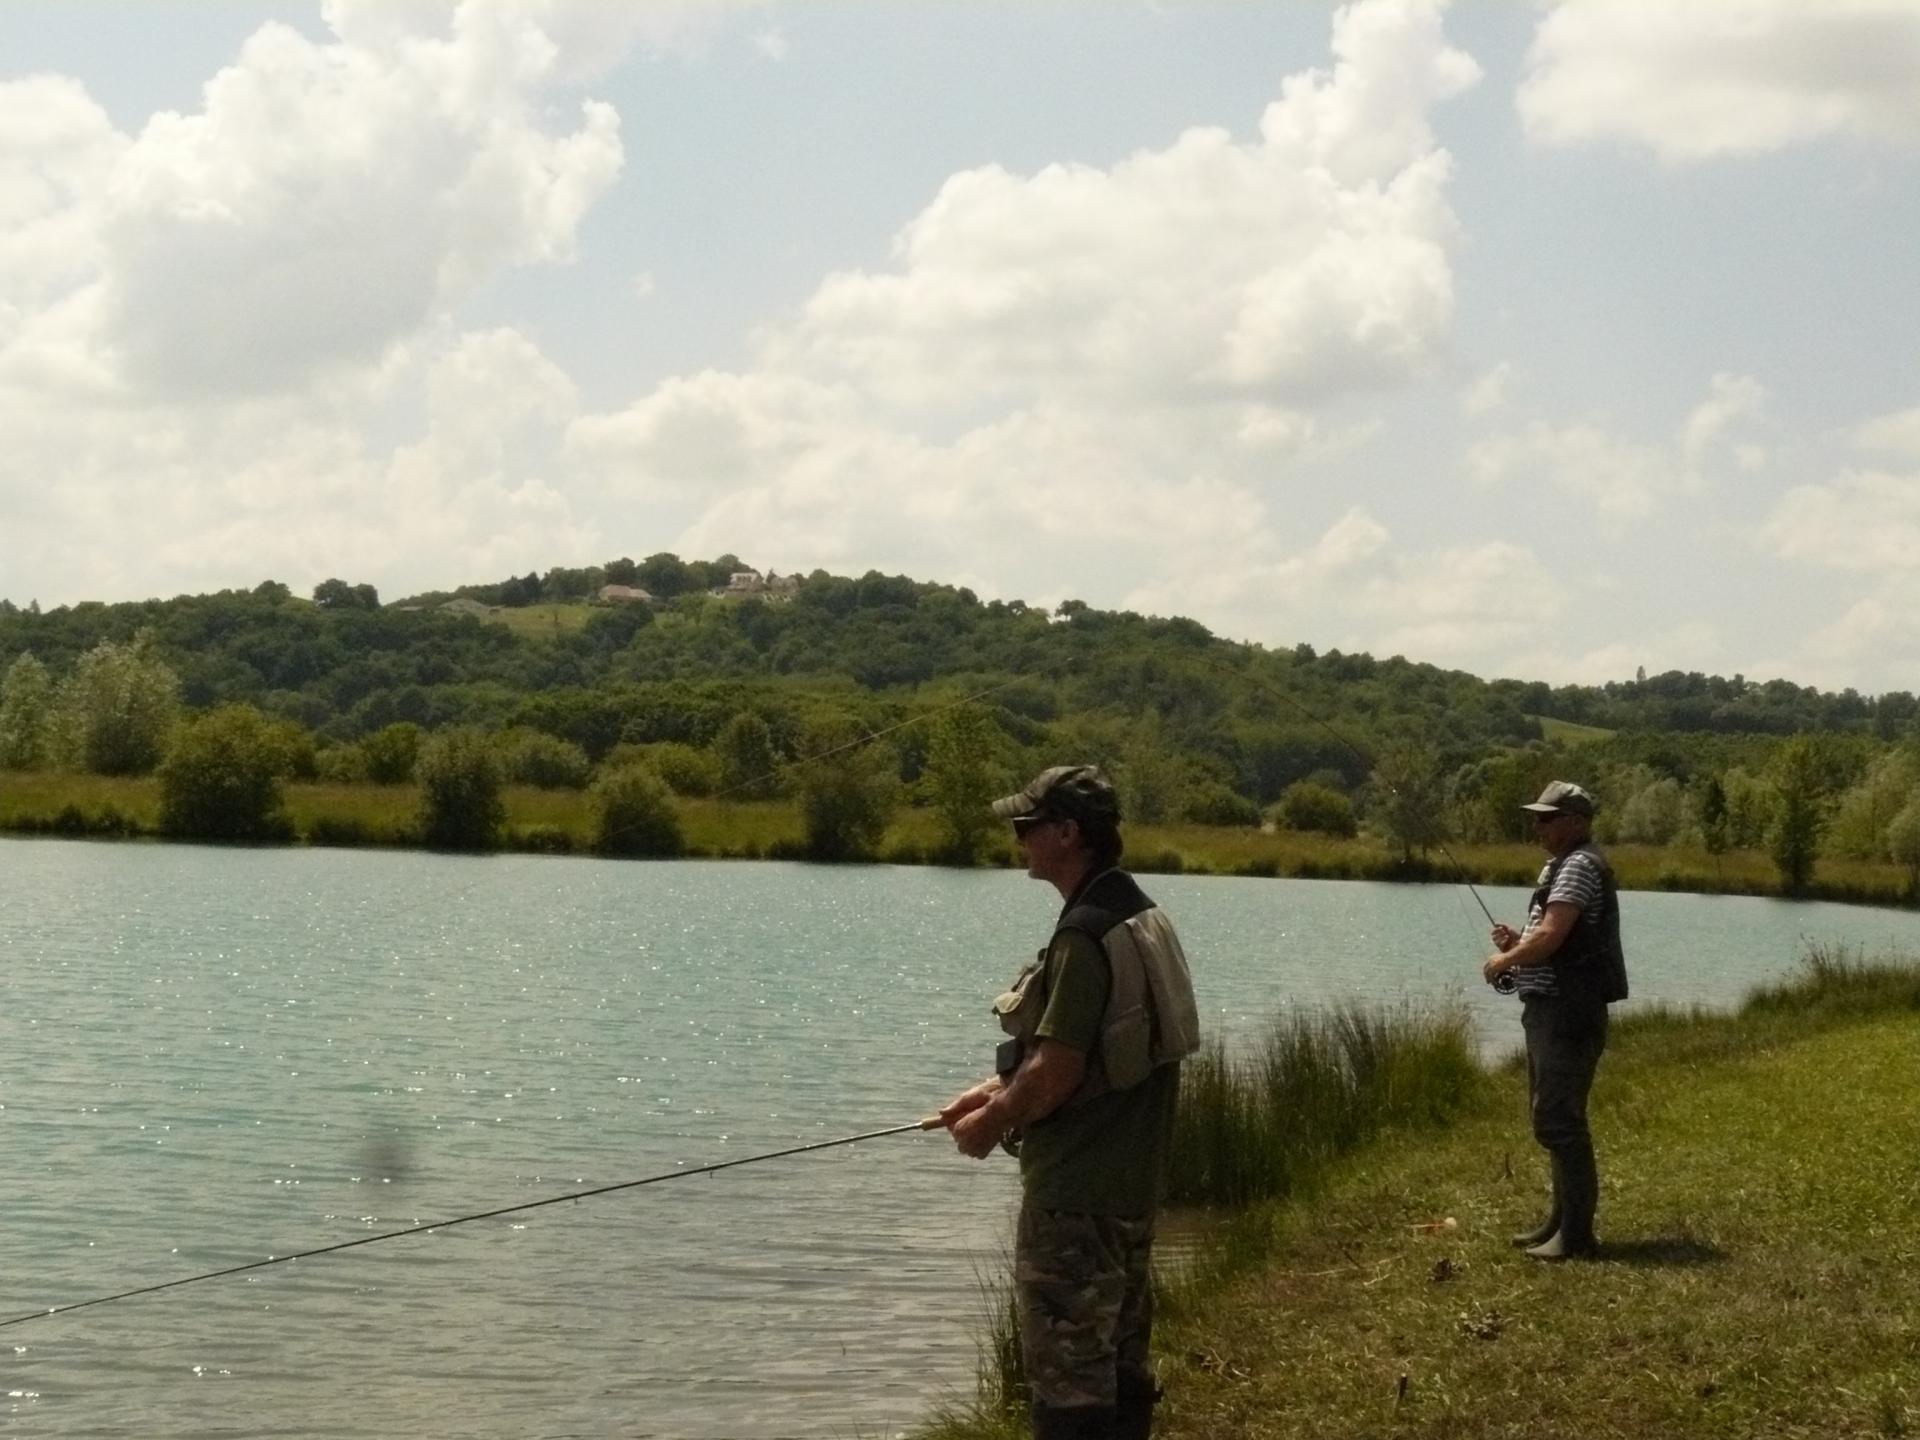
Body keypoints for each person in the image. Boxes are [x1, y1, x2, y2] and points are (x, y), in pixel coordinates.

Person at [940, 765, 1200, 1440]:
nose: (1019, 839)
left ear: (1067, 833)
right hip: (1132, 1189)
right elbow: (1101, 1057)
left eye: (1028, 827)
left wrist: (991, 1123)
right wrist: (990, 1090)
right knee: (1120, 1365)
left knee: (1069, 1385)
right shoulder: (1141, 914)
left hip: (1076, 1198)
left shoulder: (1084, 935)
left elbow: (1057, 1069)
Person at [1483, 780, 1630, 1260]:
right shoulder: (1560, 866)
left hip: (1569, 1011)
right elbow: (1545, 940)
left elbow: (1550, 936)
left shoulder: (1579, 866)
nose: (1538, 826)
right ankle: (1558, 1224)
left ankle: (1577, 1237)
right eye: (1538, 818)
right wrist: (1515, 945)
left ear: (1576, 822)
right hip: (1551, 1010)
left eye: (1547, 818)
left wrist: (1504, 962)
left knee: (1559, 1121)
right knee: (1551, 1118)